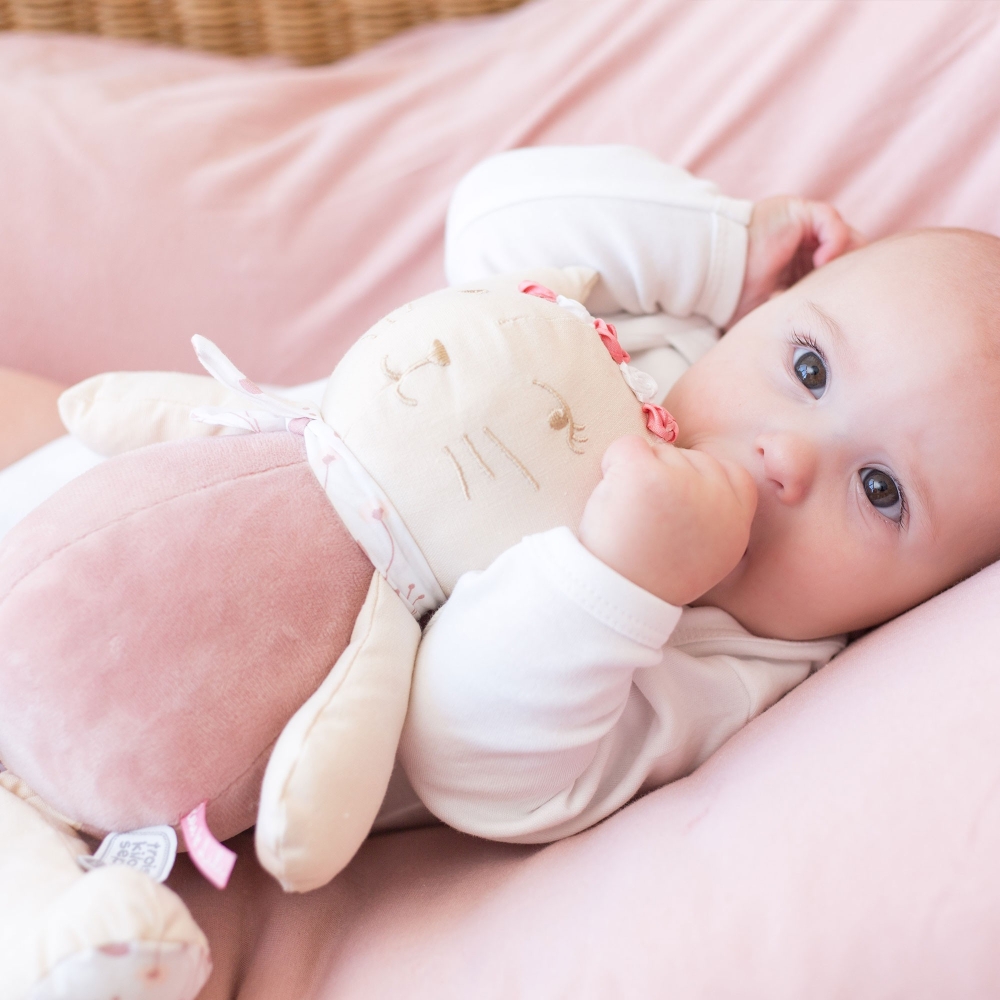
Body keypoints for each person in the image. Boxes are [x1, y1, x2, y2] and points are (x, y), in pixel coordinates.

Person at [397, 145, 1000, 843]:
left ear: (912, 610)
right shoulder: (648, 337)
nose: (790, 455)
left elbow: (460, 763)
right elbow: (485, 227)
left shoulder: (725, 677)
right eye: (809, 368)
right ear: (771, 308)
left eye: (880, 488)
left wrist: (617, 578)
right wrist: (724, 255)